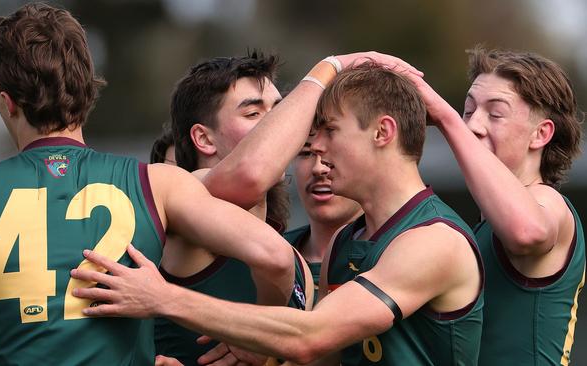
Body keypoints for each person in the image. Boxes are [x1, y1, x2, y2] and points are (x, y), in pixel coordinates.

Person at [0, 3, 295, 365]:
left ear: (6, 102)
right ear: (87, 91)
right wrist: (257, 334)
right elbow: (277, 258)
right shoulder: (157, 184)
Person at [71, 61, 485, 365]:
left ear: (383, 133)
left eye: (329, 130)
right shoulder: (346, 241)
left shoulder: (436, 240)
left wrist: (163, 298)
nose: (312, 144)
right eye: (255, 113)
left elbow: (312, 336)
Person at [402, 47, 585, 365]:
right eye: (468, 111)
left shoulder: (549, 202)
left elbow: (527, 231)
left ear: (541, 134)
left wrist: (446, 118)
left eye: (495, 113)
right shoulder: (482, 227)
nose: (473, 125)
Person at [155, 52, 311, 365]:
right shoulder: (185, 195)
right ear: (203, 138)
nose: (279, 126)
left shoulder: (297, 261)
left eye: (280, 112)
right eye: (254, 113)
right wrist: (329, 69)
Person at [284, 139, 362, 304]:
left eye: (335, 150)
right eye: (306, 153)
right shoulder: (264, 253)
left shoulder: (396, 250)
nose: (318, 168)